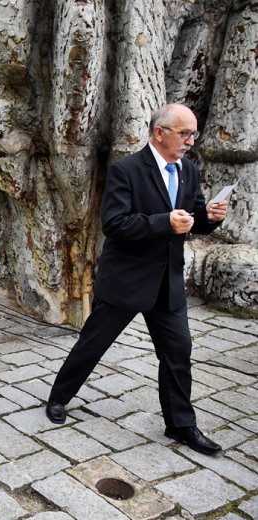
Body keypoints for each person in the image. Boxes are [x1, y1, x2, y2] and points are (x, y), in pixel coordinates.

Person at [46, 104, 229, 455]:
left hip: (168, 283)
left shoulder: (189, 170)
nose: (190, 140)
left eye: (193, 134)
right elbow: (114, 224)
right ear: (159, 132)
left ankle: (180, 424)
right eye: (184, 133)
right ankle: (59, 398)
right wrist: (164, 223)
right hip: (127, 279)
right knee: (92, 344)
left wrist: (211, 217)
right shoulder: (126, 170)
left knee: (178, 353)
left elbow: (194, 220)